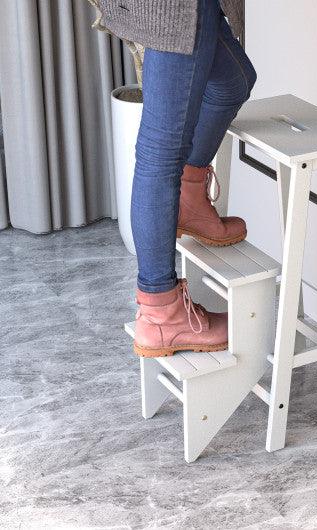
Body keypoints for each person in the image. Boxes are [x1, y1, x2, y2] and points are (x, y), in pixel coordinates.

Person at [93, 0, 256, 357]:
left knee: (234, 82)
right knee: (161, 151)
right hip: (174, 8)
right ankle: (161, 312)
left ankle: (190, 198)